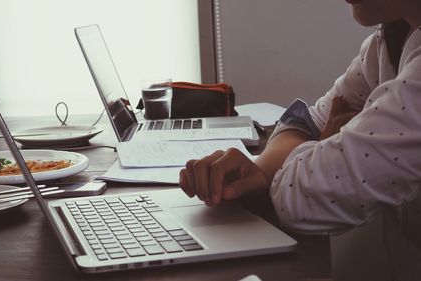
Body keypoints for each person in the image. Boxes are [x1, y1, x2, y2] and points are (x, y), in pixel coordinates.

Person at [179, 0, 421, 279]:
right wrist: (260, 171)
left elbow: (297, 198)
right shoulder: (392, 37)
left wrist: (319, 148)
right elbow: (304, 121)